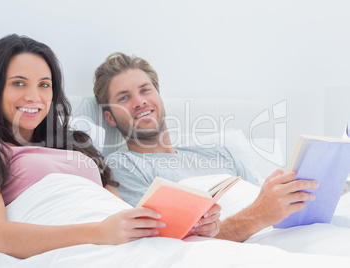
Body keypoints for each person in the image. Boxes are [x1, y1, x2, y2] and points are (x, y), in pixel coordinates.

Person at [0, 35, 177, 259]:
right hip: (85, 248)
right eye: (18, 83)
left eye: (44, 85)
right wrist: (99, 232)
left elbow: (118, 211)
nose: (33, 96)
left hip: (124, 243)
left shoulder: (76, 145)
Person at [93, 52, 319, 242]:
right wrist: (258, 216)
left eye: (145, 90)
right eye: (124, 97)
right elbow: (168, 245)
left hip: (286, 237)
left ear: (159, 97)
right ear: (110, 118)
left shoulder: (219, 153)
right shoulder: (123, 165)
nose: (139, 101)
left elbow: (264, 200)